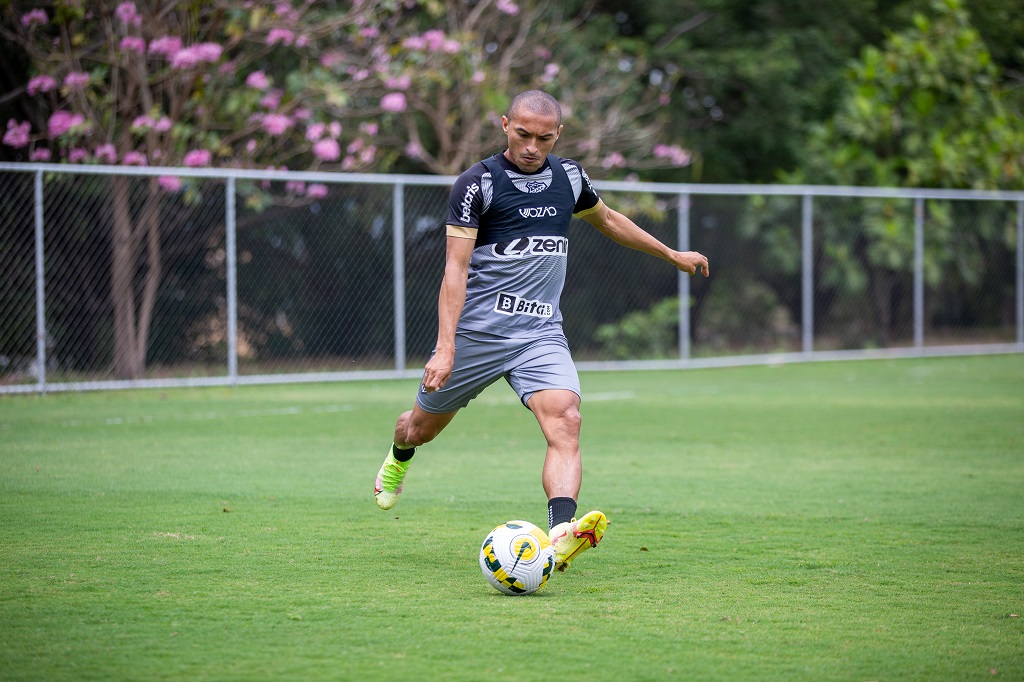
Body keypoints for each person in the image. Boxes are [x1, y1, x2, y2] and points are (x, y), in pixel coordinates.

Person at [374, 90, 709, 573]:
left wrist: (672, 254)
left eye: (544, 138)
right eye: (523, 134)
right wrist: (445, 348)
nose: (532, 146)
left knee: (566, 419)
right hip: (479, 335)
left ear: (558, 135)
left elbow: (609, 219)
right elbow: (455, 269)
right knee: (420, 428)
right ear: (506, 124)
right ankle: (399, 454)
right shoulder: (478, 184)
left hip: (540, 334)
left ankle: (559, 534)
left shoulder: (569, 178)